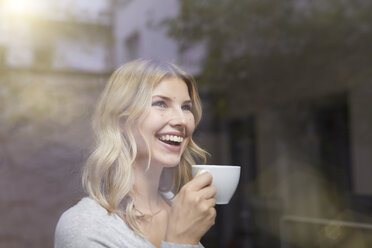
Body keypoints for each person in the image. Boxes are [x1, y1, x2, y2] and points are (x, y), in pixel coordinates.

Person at [54, 59, 217, 248]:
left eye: (186, 107)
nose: (182, 120)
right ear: (121, 120)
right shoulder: (83, 225)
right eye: (160, 104)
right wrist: (181, 240)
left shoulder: (180, 209)